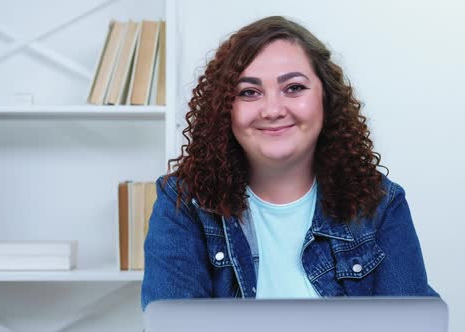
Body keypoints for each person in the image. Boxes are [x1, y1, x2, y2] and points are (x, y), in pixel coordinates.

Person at [141, 15, 438, 311]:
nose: (272, 109)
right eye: (249, 92)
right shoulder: (184, 204)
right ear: (224, 110)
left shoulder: (380, 205)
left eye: (294, 88)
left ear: (327, 98)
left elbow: (409, 323)